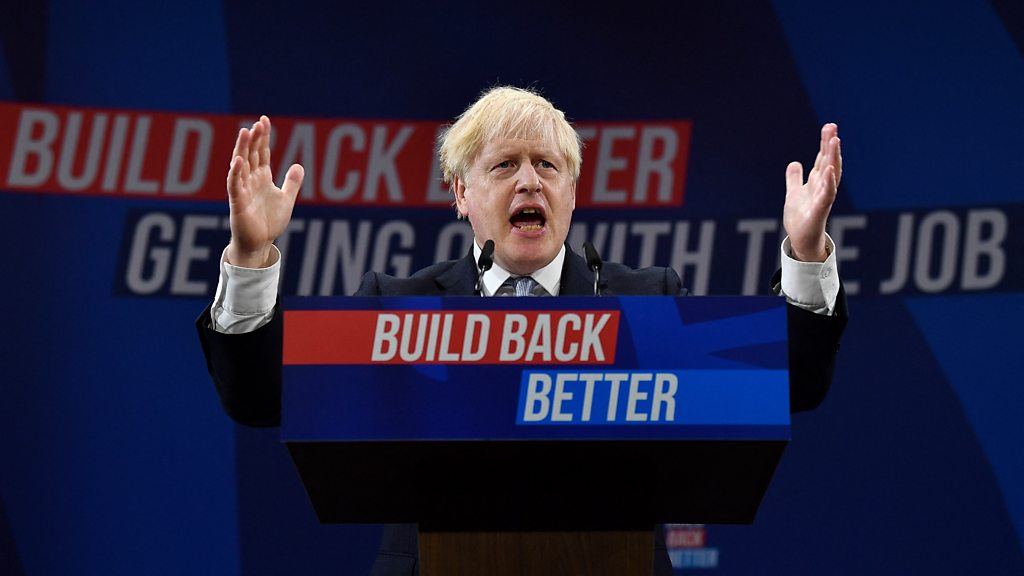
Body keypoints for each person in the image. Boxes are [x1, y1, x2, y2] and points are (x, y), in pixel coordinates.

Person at [196, 86, 848, 576]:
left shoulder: (645, 299)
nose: (530, 180)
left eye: (547, 165)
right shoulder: (399, 304)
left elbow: (788, 383)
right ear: (460, 193)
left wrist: (805, 251)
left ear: (573, 191)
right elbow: (259, 399)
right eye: (505, 165)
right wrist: (250, 257)